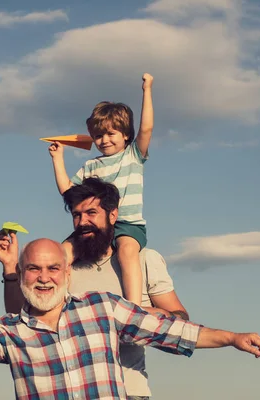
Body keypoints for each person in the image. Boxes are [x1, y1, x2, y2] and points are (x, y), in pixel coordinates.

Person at [0, 238, 260, 400]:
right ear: (22, 276)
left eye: (53, 268)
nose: (44, 278)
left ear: (67, 273)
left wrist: (232, 338)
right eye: (34, 269)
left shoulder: (102, 308)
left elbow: (169, 331)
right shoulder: (11, 331)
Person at [0, 178, 187, 399]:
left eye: (91, 213)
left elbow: (181, 319)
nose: (83, 221)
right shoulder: (64, 270)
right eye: (77, 215)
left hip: (131, 392)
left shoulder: (144, 260)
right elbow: (22, 320)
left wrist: (141, 316)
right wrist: (10, 268)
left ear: (113, 215)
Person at [48, 73, 154, 308]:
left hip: (127, 224)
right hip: (96, 225)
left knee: (127, 252)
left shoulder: (133, 155)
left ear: (126, 135)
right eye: (98, 136)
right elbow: (68, 191)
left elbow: (146, 128)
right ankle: (56, 303)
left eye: (110, 134)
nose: (104, 140)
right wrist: (57, 158)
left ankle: (134, 310)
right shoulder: (91, 166)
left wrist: (147, 90)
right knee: (63, 251)